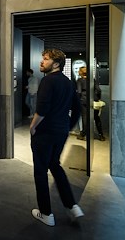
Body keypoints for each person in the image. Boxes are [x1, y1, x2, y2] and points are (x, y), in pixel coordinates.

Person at [29, 49, 84, 226]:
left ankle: (46, 213)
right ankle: (72, 206)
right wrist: (67, 126)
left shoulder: (47, 81)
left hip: (45, 133)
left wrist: (33, 126)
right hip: (61, 132)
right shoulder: (68, 82)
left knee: (40, 171)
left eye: (46, 59)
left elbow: (42, 109)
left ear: (56, 64)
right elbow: (78, 109)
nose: (41, 62)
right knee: (55, 165)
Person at [76, 66, 105, 140]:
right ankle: (101, 135)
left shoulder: (80, 80)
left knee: (85, 118)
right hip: (93, 100)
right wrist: (97, 98)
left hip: (84, 100)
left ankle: (83, 134)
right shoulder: (92, 79)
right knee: (96, 117)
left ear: (80, 72)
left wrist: (78, 99)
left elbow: (79, 91)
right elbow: (98, 90)